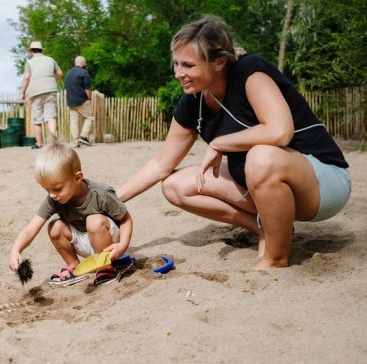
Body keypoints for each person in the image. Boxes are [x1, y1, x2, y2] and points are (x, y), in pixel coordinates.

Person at [116, 16, 351, 270]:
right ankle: (261, 225)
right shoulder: (193, 101)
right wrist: (110, 201)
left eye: (188, 65)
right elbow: (162, 163)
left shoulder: (250, 71)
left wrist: (218, 143)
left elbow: (279, 131)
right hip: (262, 180)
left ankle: (275, 258)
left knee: (261, 157)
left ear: (219, 61)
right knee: (174, 185)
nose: (178, 73)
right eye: (175, 63)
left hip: (322, 181)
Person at [8, 142, 134, 287]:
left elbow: (126, 219)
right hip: (84, 241)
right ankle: (74, 266)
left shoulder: (101, 194)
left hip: (108, 241)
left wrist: (123, 245)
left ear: (78, 177)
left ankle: (105, 268)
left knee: (93, 221)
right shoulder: (53, 200)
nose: (52, 195)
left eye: (57, 189)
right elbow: (31, 228)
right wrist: (16, 250)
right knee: (55, 227)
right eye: (46, 189)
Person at [19, 41, 63, 149]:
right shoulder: (50, 59)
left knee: (37, 119)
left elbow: (26, 77)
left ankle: (39, 144)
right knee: (51, 117)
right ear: (41, 50)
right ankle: (54, 142)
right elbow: (60, 73)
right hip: (50, 90)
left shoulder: (29, 63)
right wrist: (54, 82)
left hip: (35, 92)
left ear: (31, 51)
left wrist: (22, 92)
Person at [64, 56, 94, 147]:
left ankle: (75, 141)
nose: (86, 64)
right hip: (81, 101)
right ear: (81, 62)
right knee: (90, 117)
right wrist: (89, 99)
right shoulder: (83, 72)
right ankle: (83, 136)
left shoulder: (68, 73)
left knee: (74, 121)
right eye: (85, 62)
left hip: (71, 102)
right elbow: (87, 88)